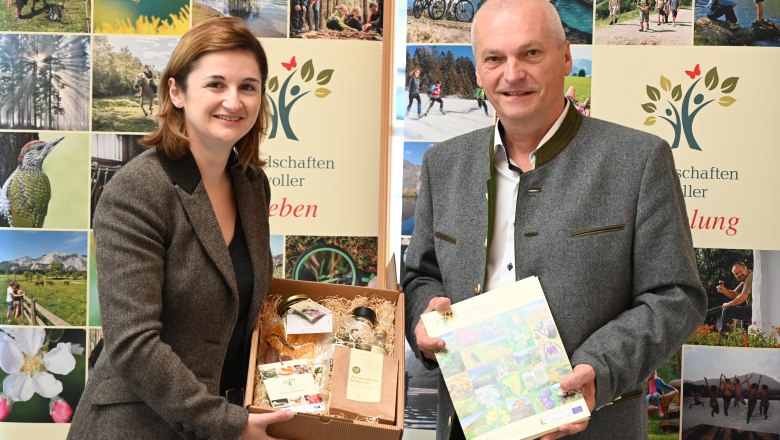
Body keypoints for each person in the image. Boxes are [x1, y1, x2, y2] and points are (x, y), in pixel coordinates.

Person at [402, 1, 706, 439]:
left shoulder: (639, 160)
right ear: (478, 70)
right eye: (494, 58)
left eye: (530, 53)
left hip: (595, 427)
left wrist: (600, 368)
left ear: (565, 57)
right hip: (467, 426)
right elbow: (421, 276)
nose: (512, 74)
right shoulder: (442, 164)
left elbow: (676, 295)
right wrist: (422, 318)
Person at [67, 17, 295, 439]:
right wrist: (228, 424)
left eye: (248, 86)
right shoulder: (137, 190)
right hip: (137, 426)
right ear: (176, 92)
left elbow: (243, 303)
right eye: (216, 84)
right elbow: (133, 345)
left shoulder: (251, 184)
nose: (234, 100)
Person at [717, 261, 753, 334]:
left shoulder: (750, 277)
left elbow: (742, 297)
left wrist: (728, 304)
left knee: (727, 311)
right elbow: (735, 294)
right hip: (750, 309)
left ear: (745, 268)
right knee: (744, 333)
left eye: (740, 271)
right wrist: (724, 290)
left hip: (753, 310)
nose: (739, 274)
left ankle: (723, 337)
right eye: (736, 274)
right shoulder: (744, 280)